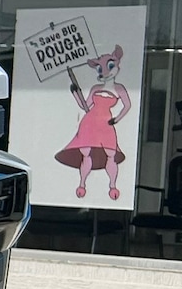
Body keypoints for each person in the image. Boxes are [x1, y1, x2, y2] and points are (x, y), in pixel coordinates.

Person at [55, 46, 133, 202]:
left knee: (110, 154)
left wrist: (117, 119)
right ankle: (82, 183)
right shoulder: (96, 88)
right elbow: (85, 106)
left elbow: (127, 105)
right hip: (90, 122)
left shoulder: (119, 88)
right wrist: (76, 93)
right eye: (100, 68)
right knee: (86, 152)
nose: (104, 71)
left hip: (106, 123)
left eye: (109, 66)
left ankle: (112, 185)